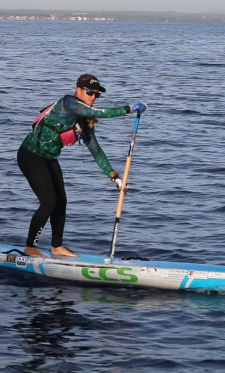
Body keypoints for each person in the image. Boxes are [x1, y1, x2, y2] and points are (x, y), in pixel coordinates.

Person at [17, 74, 146, 258]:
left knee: (61, 202)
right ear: (78, 90)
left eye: (96, 95)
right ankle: (30, 247)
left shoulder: (84, 123)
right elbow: (96, 112)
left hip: (49, 158)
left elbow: (96, 151)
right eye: (89, 92)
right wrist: (128, 109)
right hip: (30, 156)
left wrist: (114, 177)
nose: (93, 97)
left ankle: (56, 246)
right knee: (48, 202)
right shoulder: (68, 102)